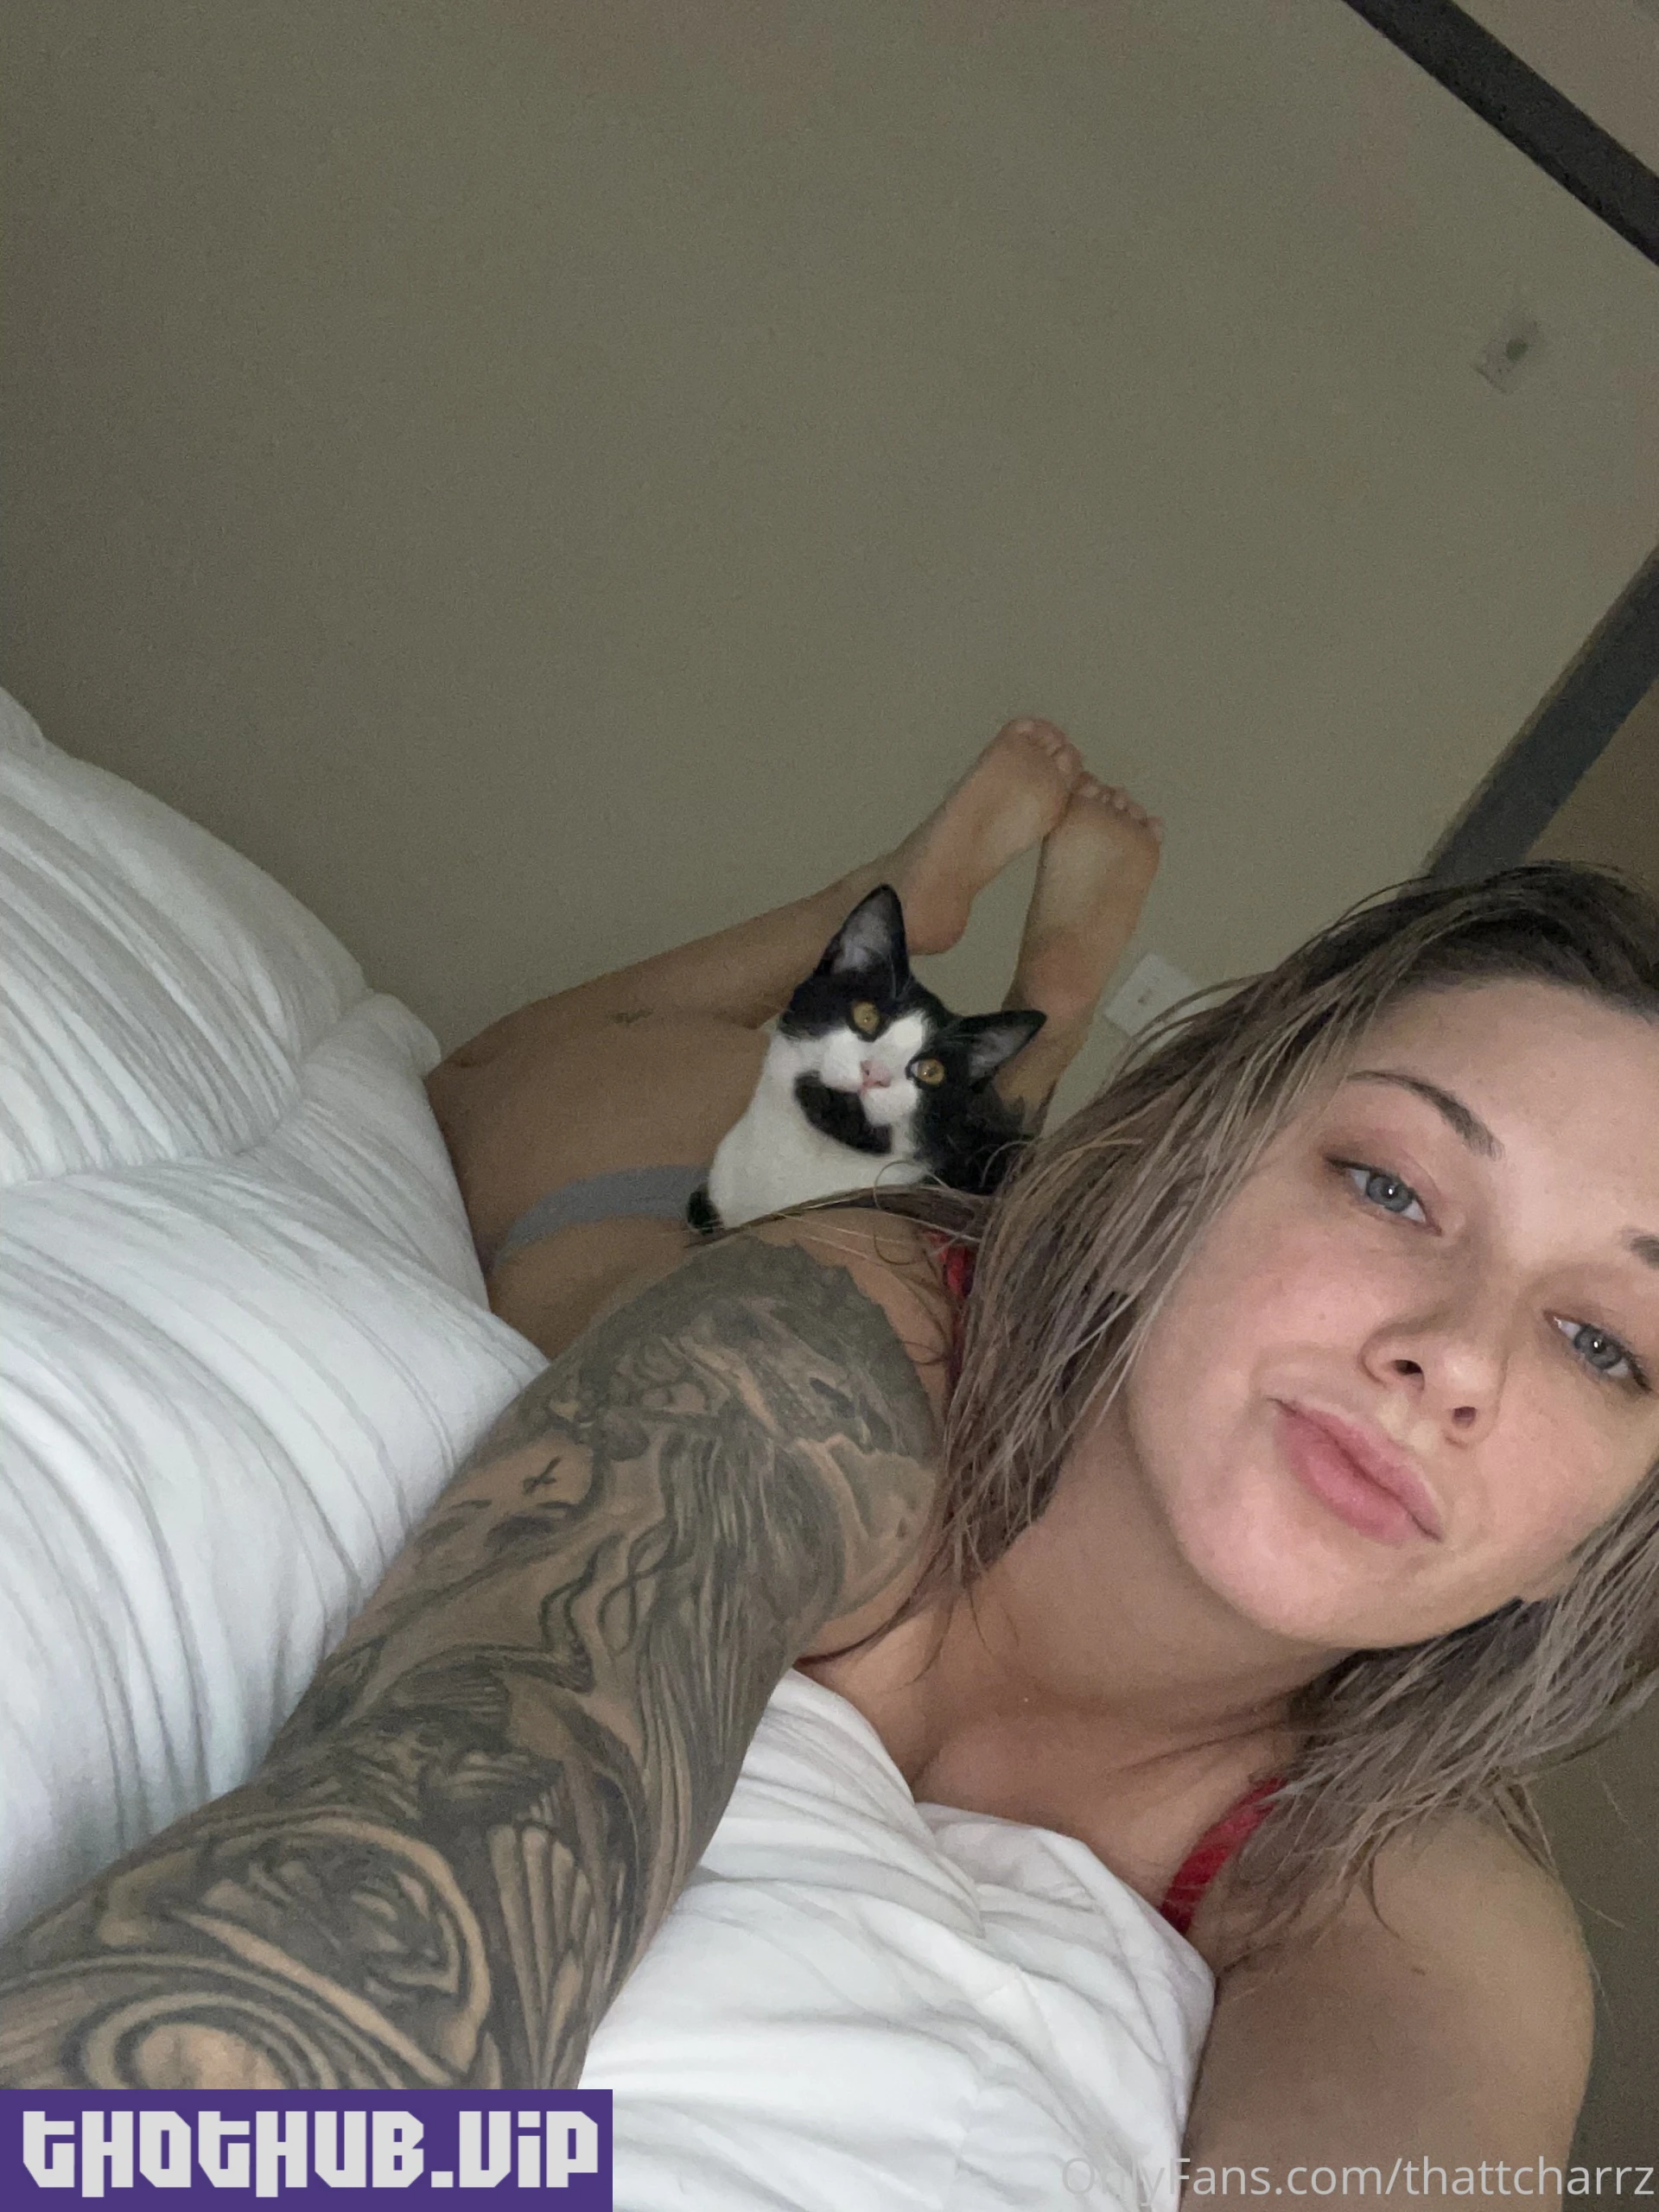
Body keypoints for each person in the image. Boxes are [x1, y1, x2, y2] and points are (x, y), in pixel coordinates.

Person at [3, 716, 1655, 2211]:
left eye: (1608, 1345)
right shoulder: (821, 1360)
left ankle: (1023, 1038)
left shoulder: (1432, 1903)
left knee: (910, 1120)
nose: (1458, 1358)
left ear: (1599, 1538)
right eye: (1391, 1187)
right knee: (505, 1075)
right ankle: (903, 919)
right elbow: (473, 1793)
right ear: (1188, 1170)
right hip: (646, 1189)